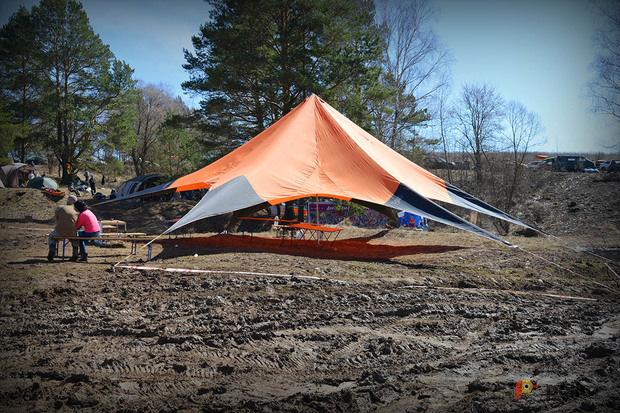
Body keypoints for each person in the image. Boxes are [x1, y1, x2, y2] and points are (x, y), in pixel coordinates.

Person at [48, 195, 80, 261]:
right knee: (75, 240)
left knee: (51, 237)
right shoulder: (77, 210)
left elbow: (56, 218)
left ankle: (52, 250)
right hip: (72, 232)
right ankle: (75, 253)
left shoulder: (60, 207)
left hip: (59, 231)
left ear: (68, 200)